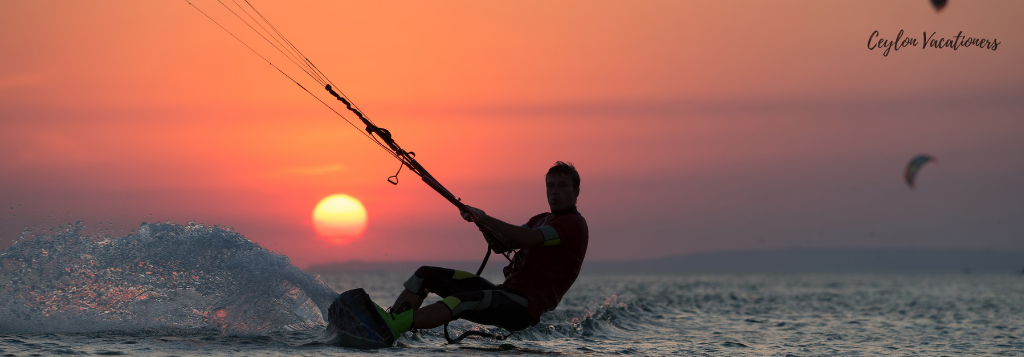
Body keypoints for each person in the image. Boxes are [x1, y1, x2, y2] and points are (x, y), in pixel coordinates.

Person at [368, 161, 589, 340]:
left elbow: (528, 238)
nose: (555, 192)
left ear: (576, 190)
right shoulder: (541, 219)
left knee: (460, 300)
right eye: (550, 185)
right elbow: (500, 244)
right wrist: (480, 223)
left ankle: (393, 327)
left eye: (562, 186)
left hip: (523, 308)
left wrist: (486, 217)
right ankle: (388, 328)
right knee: (425, 274)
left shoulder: (572, 224)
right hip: (505, 294)